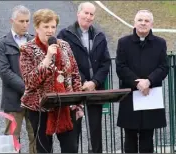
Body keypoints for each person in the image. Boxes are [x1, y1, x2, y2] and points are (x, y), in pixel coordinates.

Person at [19, 9, 83, 153]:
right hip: (39, 108)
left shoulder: (65, 45)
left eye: (53, 27)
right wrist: (47, 59)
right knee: (44, 149)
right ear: (36, 28)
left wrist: (78, 104)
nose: (50, 31)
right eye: (46, 27)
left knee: (71, 148)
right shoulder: (27, 49)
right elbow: (30, 82)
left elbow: (75, 75)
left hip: (65, 105)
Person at [57, 2, 111, 153]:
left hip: (95, 89)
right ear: (78, 13)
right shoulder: (64, 34)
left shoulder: (99, 35)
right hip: (74, 90)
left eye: (91, 14)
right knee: (74, 131)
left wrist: (94, 82)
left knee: (95, 130)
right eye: (85, 13)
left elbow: (106, 62)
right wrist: (82, 81)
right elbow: (64, 61)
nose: (88, 17)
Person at [115, 10, 169, 153]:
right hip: (130, 94)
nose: (143, 23)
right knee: (130, 138)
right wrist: (137, 82)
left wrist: (149, 81)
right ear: (134, 23)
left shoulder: (160, 43)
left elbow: (164, 67)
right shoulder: (123, 42)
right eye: (140, 20)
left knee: (147, 137)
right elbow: (120, 67)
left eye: (146, 21)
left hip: (150, 94)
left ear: (151, 24)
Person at [0, 5, 36, 153]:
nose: (25, 25)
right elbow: (4, 72)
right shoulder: (2, 43)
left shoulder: (34, 41)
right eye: (21, 21)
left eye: (27, 21)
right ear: (12, 21)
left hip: (33, 101)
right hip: (13, 100)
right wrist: (28, 88)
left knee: (36, 138)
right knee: (11, 140)